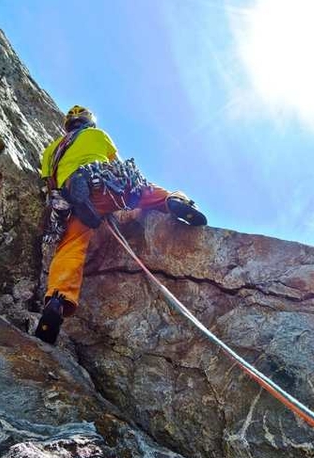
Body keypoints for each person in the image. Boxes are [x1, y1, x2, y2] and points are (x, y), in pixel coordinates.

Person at [35, 105, 206, 344]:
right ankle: (173, 200)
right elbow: (119, 167)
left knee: (70, 247)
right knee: (141, 191)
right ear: (88, 122)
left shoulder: (50, 151)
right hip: (100, 181)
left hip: (72, 201)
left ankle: (57, 299)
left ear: (68, 125)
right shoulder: (97, 135)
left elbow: (50, 183)